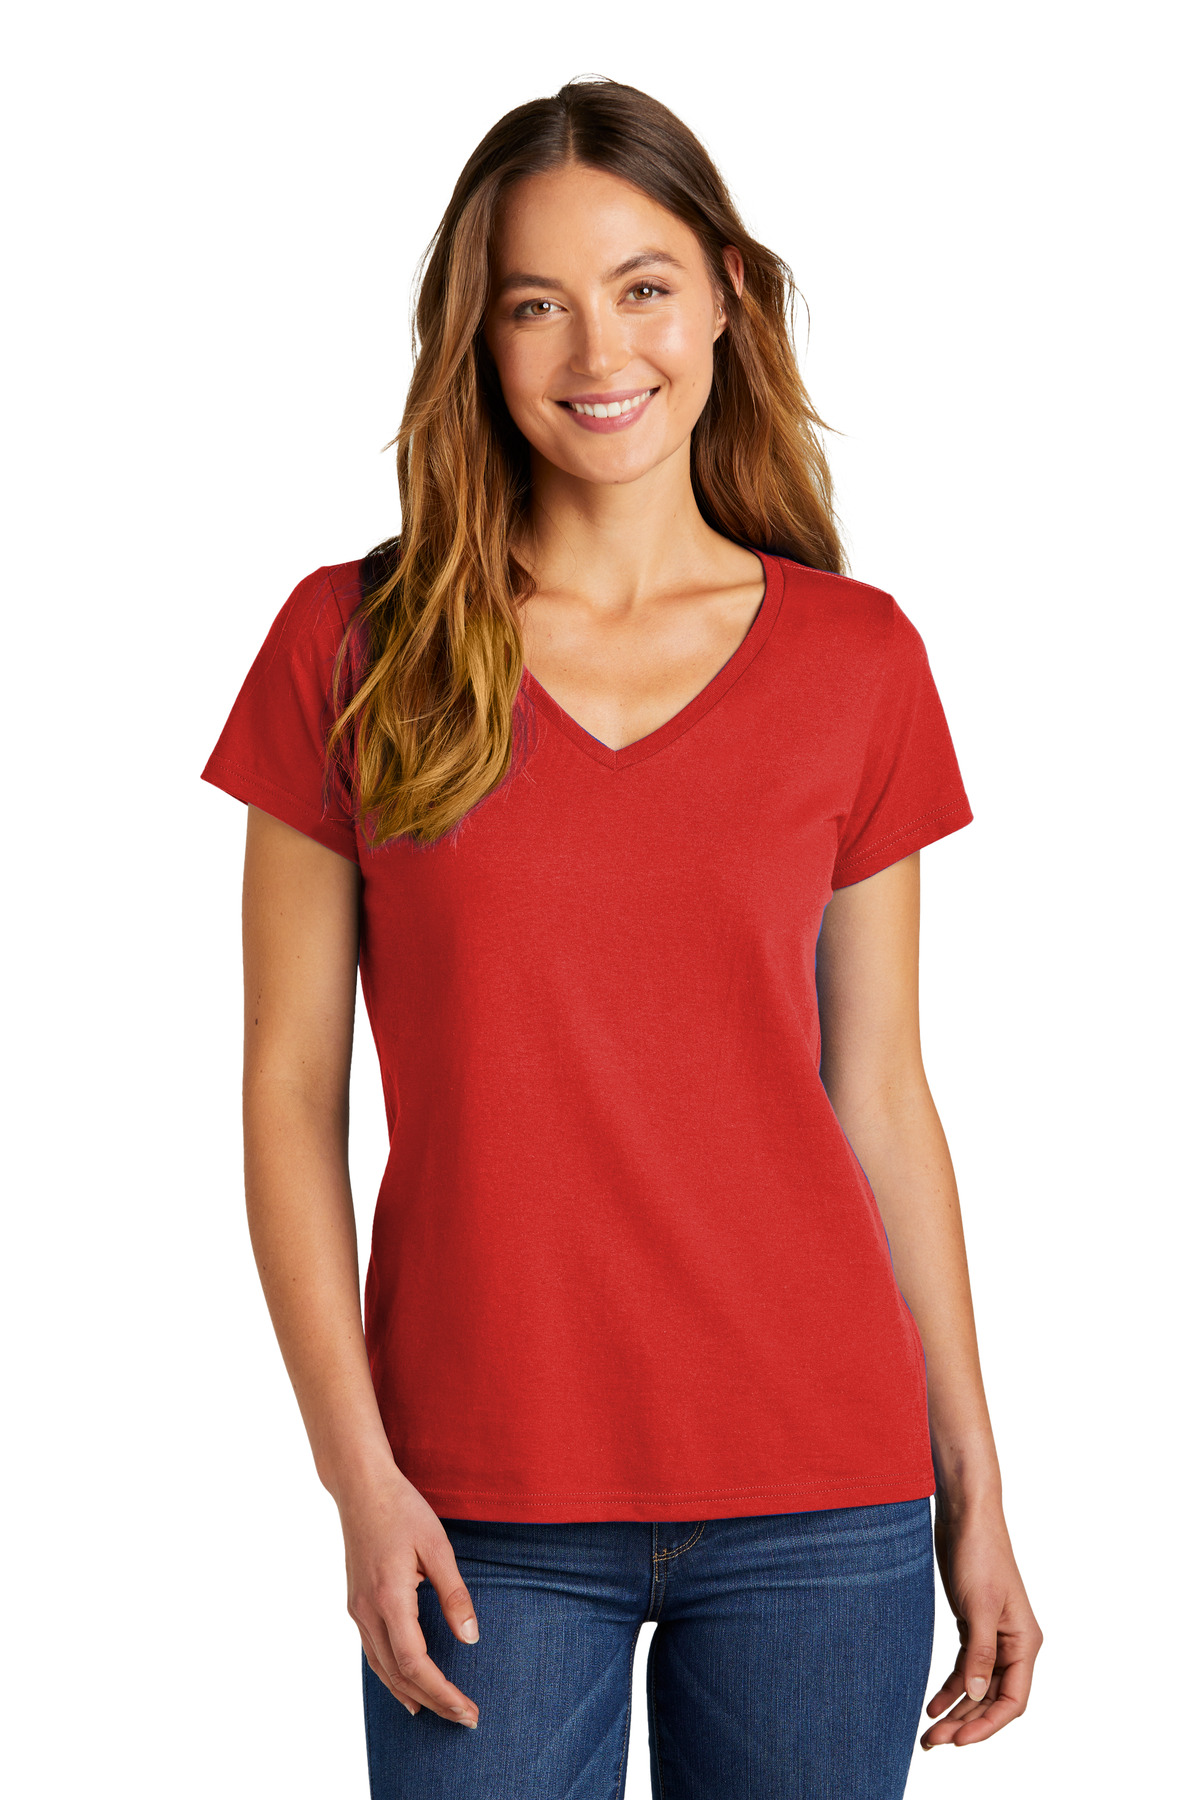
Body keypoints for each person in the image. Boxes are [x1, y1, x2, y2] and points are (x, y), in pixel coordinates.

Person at [200, 75, 1042, 1799]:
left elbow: (882, 1091)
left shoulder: (859, 659)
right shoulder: (350, 643)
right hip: (474, 1499)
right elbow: (287, 1093)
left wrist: (978, 1485)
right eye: (537, 303)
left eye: (643, 286)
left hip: (823, 1489)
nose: (600, 349)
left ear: (726, 293)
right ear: (478, 336)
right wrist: (355, 1475)